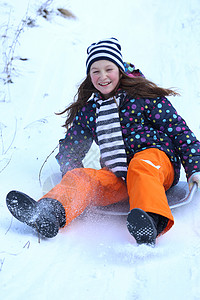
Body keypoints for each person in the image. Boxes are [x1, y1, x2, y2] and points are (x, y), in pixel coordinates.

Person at [6, 38, 200, 246]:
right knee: (85, 177)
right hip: (118, 175)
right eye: (95, 71)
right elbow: (70, 148)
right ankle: (49, 213)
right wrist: (72, 173)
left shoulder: (145, 98)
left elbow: (180, 133)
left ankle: (150, 221)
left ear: (120, 70)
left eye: (109, 69)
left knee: (141, 166)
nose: (103, 76)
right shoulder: (91, 112)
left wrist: (194, 167)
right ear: (90, 76)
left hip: (156, 164)